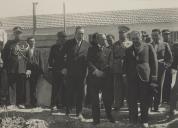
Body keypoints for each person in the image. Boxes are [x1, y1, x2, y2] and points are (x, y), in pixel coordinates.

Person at [124, 31, 158, 128]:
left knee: (144, 99)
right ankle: (133, 120)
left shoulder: (148, 47)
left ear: (141, 38)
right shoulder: (128, 49)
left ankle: (144, 120)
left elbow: (154, 62)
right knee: (132, 100)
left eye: (137, 38)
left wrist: (154, 77)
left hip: (145, 77)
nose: (135, 40)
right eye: (133, 39)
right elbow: (125, 63)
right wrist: (124, 75)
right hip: (132, 78)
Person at [61, 26, 90, 120]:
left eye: (82, 33)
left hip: (82, 73)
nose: (80, 35)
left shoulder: (87, 45)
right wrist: (63, 67)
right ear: (75, 33)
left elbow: (89, 59)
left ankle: (79, 113)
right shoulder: (68, 43)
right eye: (79, 33)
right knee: (69, 92)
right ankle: (68, 112)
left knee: (80, 94)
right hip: (70, 73)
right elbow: (61, 56)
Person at [87, 33, 115, 125]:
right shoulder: (91, 50)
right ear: (97, 40)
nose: (105, 41)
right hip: (94, 78)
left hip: (106, 78)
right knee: (95, 100)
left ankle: (109, 115)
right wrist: (96, 71)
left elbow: (110, 64)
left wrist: (104, 73)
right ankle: (96, 119)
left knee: (107, 99)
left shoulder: (108, 50)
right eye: (102, 39)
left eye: (105, 39)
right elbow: (88, 62)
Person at [2, 26, 29, 108]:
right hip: (12, 69)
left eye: (19, 33)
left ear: (22, 34)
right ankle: (11, 103)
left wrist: (27, 68)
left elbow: (28, 57)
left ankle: (20, 103)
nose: (18, 35)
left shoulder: (25, 44)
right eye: (16, 33)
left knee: (21, 86)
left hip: (22, 68)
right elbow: (4, 56)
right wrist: (8, 66)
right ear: (14, 34)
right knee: (12, 86)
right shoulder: (9, 43)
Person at [151, 29, 173, 111]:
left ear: (160, 35)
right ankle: (149, 105)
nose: (154, 37)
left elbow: (170, 58)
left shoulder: (164, 44)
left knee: (159, 86)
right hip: (151, 69)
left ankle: (157, 105)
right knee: (151, 86)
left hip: (161, 68)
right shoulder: (149, 45)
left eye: (156, 35)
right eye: (153, 35)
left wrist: (165, 66)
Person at [112, 26, 132, 111]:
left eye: (122, 33)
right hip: (117, 67)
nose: (120, 34)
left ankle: (129, 104)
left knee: (128, 87)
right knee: (117, 87)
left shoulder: (130, 43)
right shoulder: (115, 44)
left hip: (127, 67)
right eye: (119, 33)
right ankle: (117, 104)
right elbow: (112, 56)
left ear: (126, 34)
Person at [48, 31, 67, 110]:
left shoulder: (68, 47)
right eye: (61, 37)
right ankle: (53, 104)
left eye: (64, 37)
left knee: (64, 87)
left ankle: (62, 104)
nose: (62, 39)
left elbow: (70, 59)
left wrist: (66, 68)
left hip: (65, 71)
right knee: (55, 88)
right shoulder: (54, 47)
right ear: (58, 38)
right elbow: (50, 60)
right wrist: (56, 68)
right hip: (56, 71)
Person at [26, 37, 44, 107]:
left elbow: (41, 61)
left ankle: (35, 102)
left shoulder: (38, 51)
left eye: (33, 41)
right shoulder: (25, 51)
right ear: (28, 42)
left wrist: (42, 72)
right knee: (30, 87)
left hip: (36, 71)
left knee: (35, 87)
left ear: (35, 42)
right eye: (30, 41)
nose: (32, 42)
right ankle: (30, 102)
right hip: (28, 71)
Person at [162, 29, 173, 103]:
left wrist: (169, 64)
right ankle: (164, 99)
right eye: (164, 34)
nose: (166, 36)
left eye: (167, 34)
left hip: (172, 66)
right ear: (162, 35)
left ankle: (169, 99)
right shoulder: (161, 44)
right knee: (163, 82)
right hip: (163, 66)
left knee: (170, 83)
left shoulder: (173, 44)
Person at [168, 41, 178, 119]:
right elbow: (174, 60)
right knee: (174, 89)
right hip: (176, 71)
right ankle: (173, 108)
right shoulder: (176, 45)